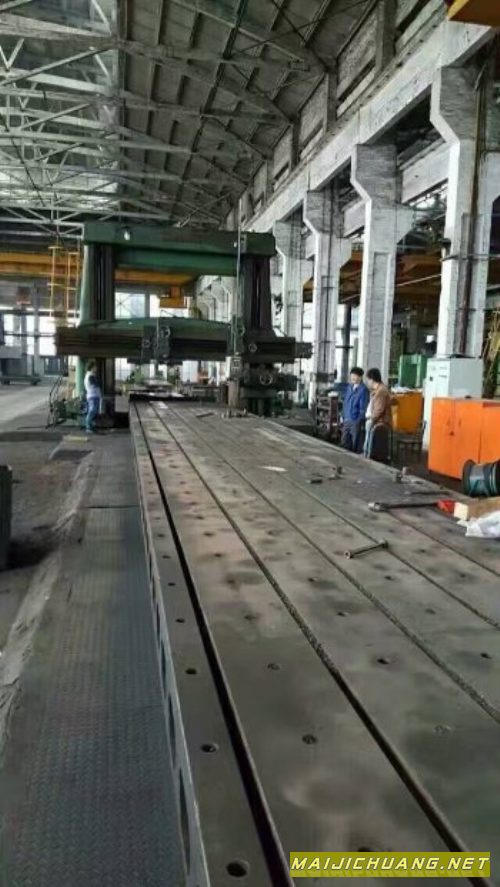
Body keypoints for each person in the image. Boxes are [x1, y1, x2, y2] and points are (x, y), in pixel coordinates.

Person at [364, 368, 393, 463]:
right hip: (379, 420)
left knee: (368, 425)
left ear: (372, 379)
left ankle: (367, 453)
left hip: (382, 421)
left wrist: (372, 419)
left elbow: (379, 410)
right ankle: (366, 453)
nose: (367, 382)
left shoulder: (381, 391)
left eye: (368, 380)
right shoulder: (378, 390)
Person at [341, 366, 370, 453]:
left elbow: (363, 408)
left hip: (355, 421)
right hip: (346, 419)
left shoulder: (363, 390)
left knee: (355, 445)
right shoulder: (349, 387)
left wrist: (357, 421)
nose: (353, 377)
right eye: (352, 375)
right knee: (344, 443)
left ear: (360, 377)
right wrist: (342, 415)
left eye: (355, 375)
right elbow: (345, 402)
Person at [84, 360, 101, 434]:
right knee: (92, 411)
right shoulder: (90, 376)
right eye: (95, 367)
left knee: (93, 411)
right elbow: (96, 384)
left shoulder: (89, 375)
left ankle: (90, 426)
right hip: (92, 396)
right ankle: (88, 427)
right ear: (92, 367)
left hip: (93, 396)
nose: (96, 368)